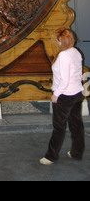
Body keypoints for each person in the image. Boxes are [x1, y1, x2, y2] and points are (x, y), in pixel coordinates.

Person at [40, 28, 85, 165]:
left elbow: (64, 79)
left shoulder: (64, 56)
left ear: (61, 40)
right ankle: (77, 152)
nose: (56, 41)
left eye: (58, 39)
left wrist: (56, 94)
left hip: (64, 96)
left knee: (59, 127)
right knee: (76, 125)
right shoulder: (76, 52)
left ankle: (50, 156)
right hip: (77, 93)